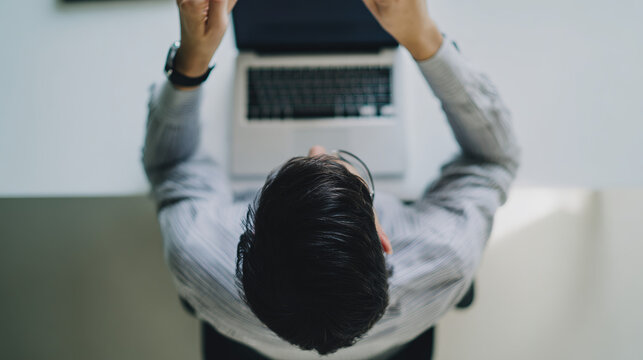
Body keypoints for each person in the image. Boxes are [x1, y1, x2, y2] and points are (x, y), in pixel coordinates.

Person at [142, 0, 521, 358]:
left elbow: (170, 166)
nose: (319, 148)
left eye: (303, 163)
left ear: (248, 234)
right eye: (348, 176)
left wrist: (191, 61)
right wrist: (424, 39)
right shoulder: (447, 256)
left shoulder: (196, 253)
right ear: (383, 239)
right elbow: (495, 158)